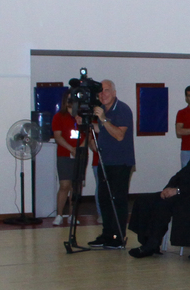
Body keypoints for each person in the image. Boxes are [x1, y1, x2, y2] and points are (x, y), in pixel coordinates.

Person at [128, 133, 190, 257]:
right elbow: (180, 175)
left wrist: (178, 190)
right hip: (178, 190)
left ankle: (152, 244)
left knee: (164, 205)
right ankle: (146, 241)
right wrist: (168, 188)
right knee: (144, 200)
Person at [87, 79, 135, 249]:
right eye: (100, 91)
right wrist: (88, 124)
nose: (103, 94)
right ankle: (107, 234)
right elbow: (103, 130)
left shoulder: (122, 109)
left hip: (120, 163)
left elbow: (119, 135)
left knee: (118, 200)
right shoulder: (103, 110)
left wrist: (103, 119)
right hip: (104, 161)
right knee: (104, 199)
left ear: (114, 93)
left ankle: (119, 237)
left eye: (106, 90)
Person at [51, 93, 81, 226]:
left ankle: (72, 215)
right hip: (64, 154)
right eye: (69, 98)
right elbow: (58, 136)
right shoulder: (58, 117)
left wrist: (78, 149)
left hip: (80, 155)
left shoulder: (81, 117)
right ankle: (59, 215)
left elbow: (87, 135)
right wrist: (71, 149)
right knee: (64, 185)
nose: (71, 101)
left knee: (76, 187)